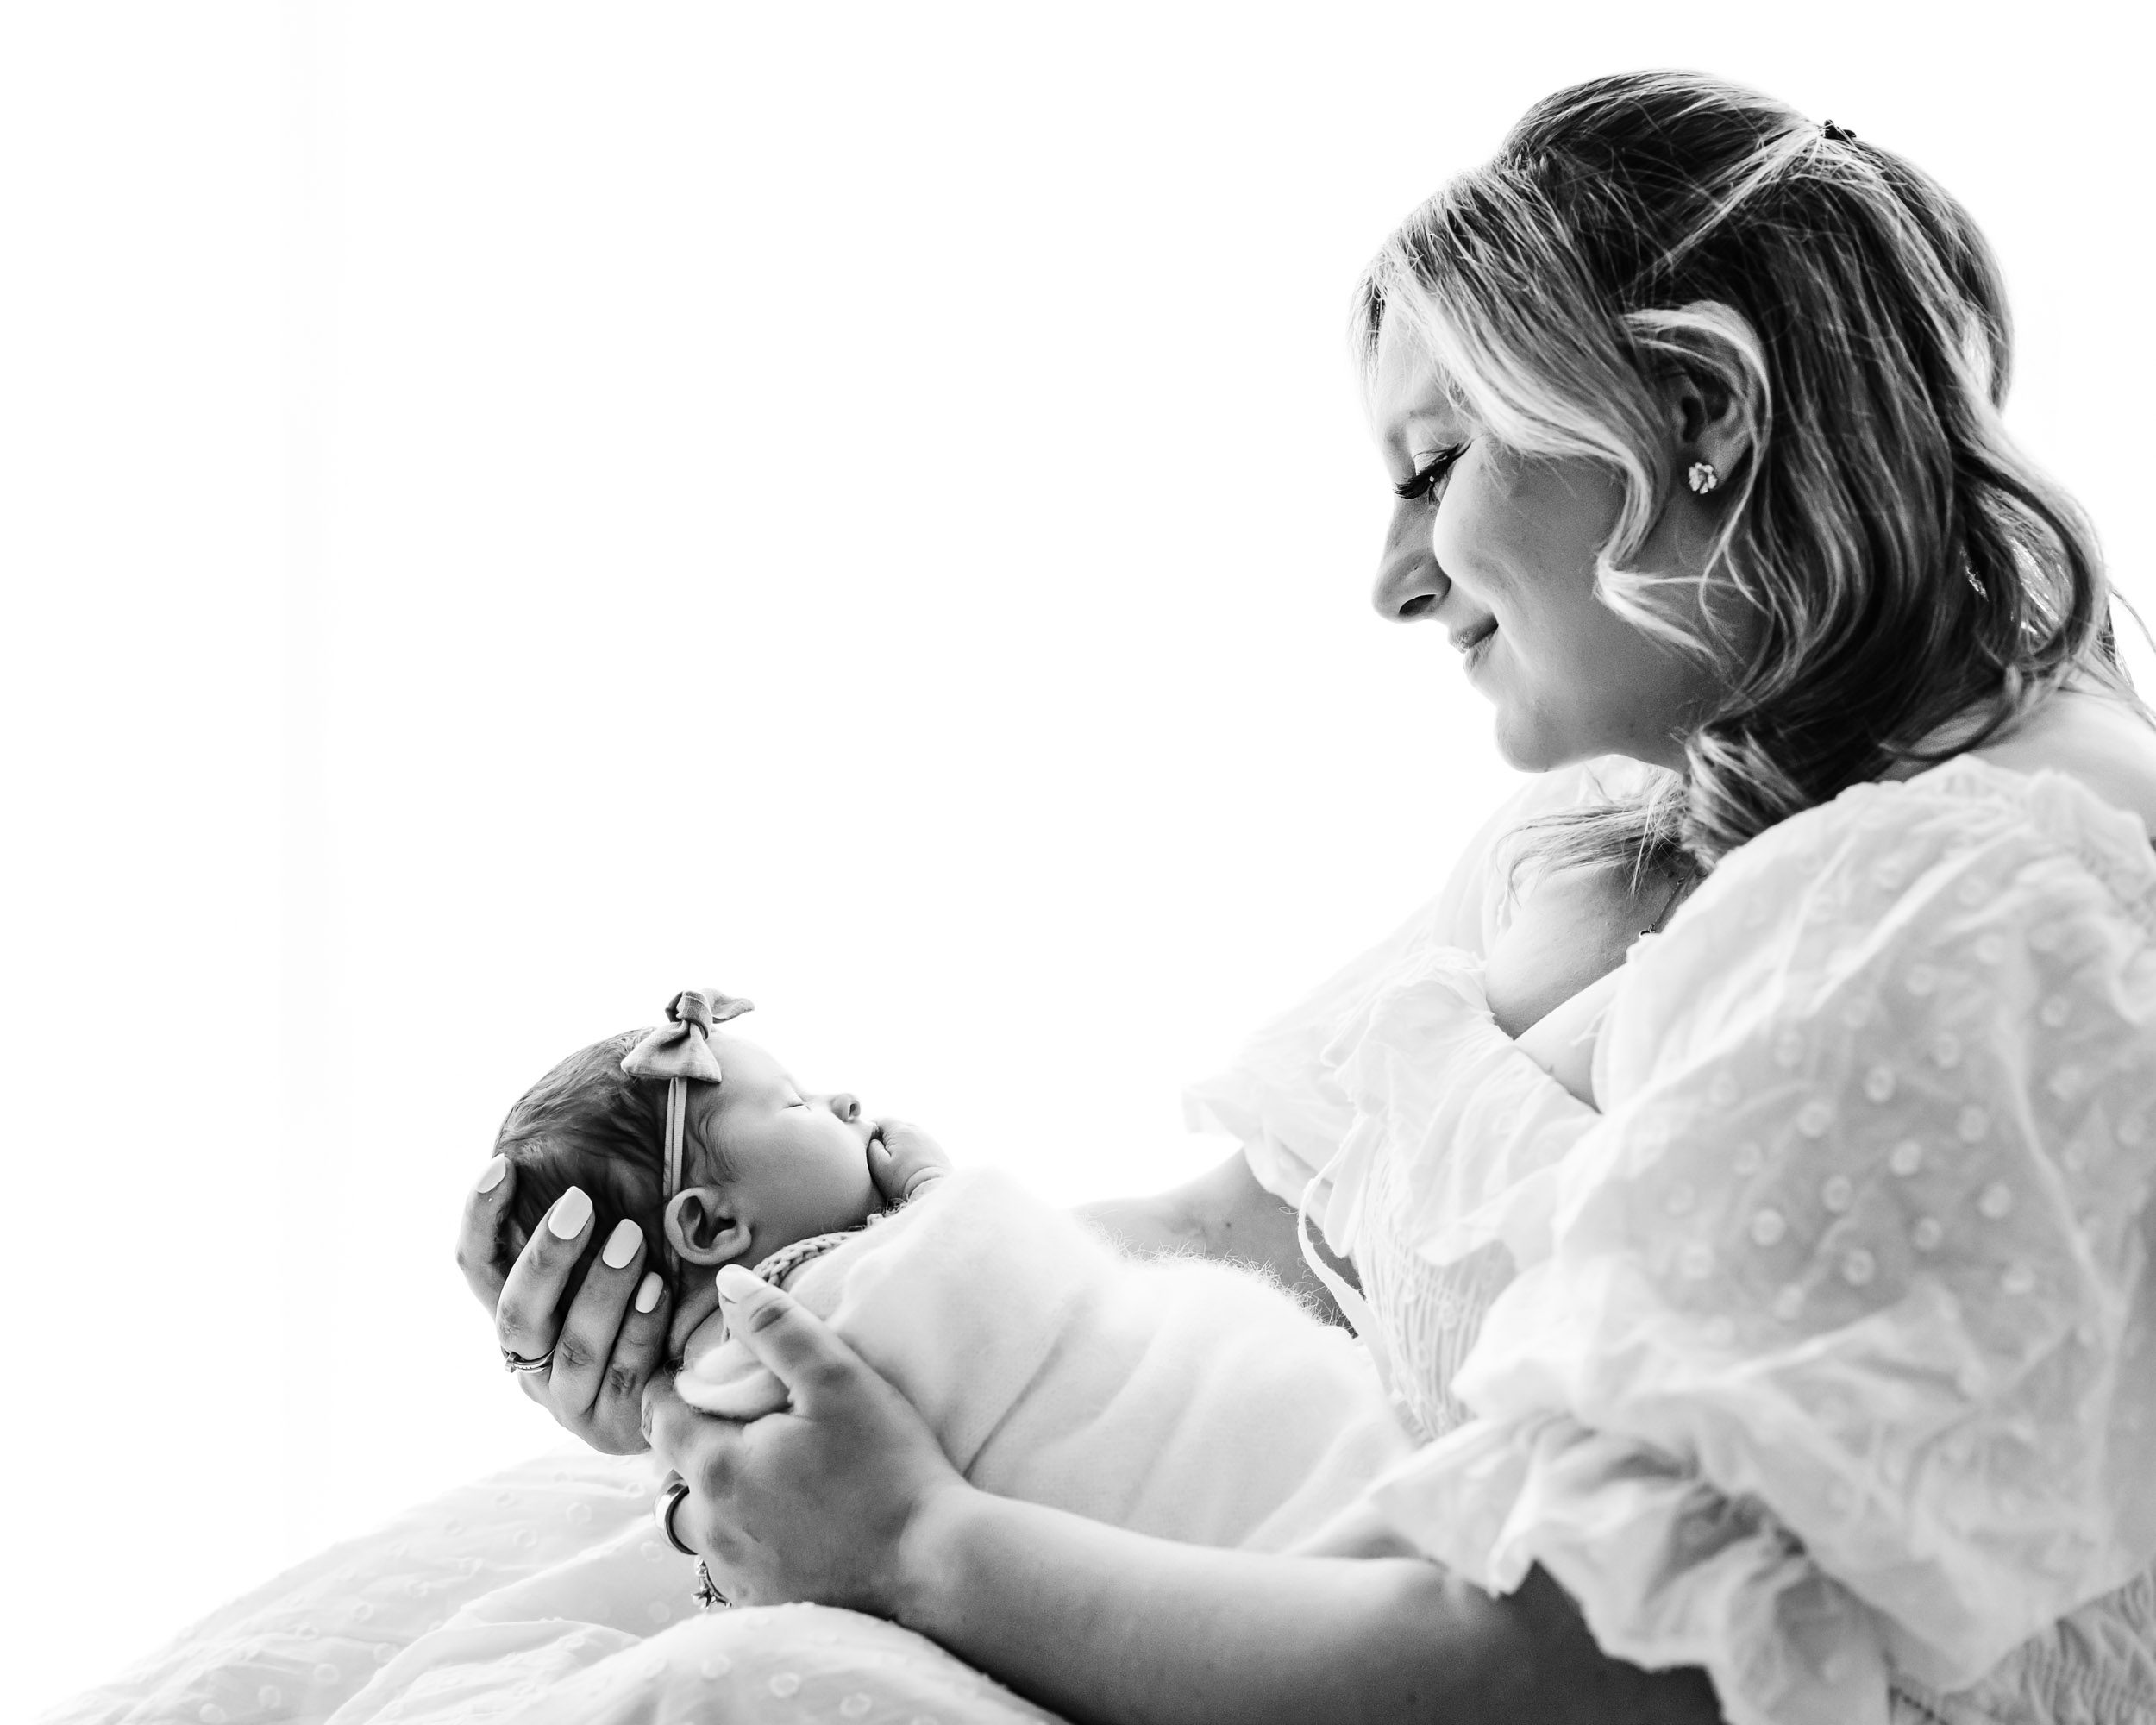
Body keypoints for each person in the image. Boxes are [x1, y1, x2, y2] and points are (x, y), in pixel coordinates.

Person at [487, 989, 1414, 1557]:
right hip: (1247, 1471)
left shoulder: (712, 1396)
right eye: (799, 1102)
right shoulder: (832, 1292)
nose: (846, 1097)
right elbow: (1000, 1266)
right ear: (712, 1221)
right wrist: (936, 1190)